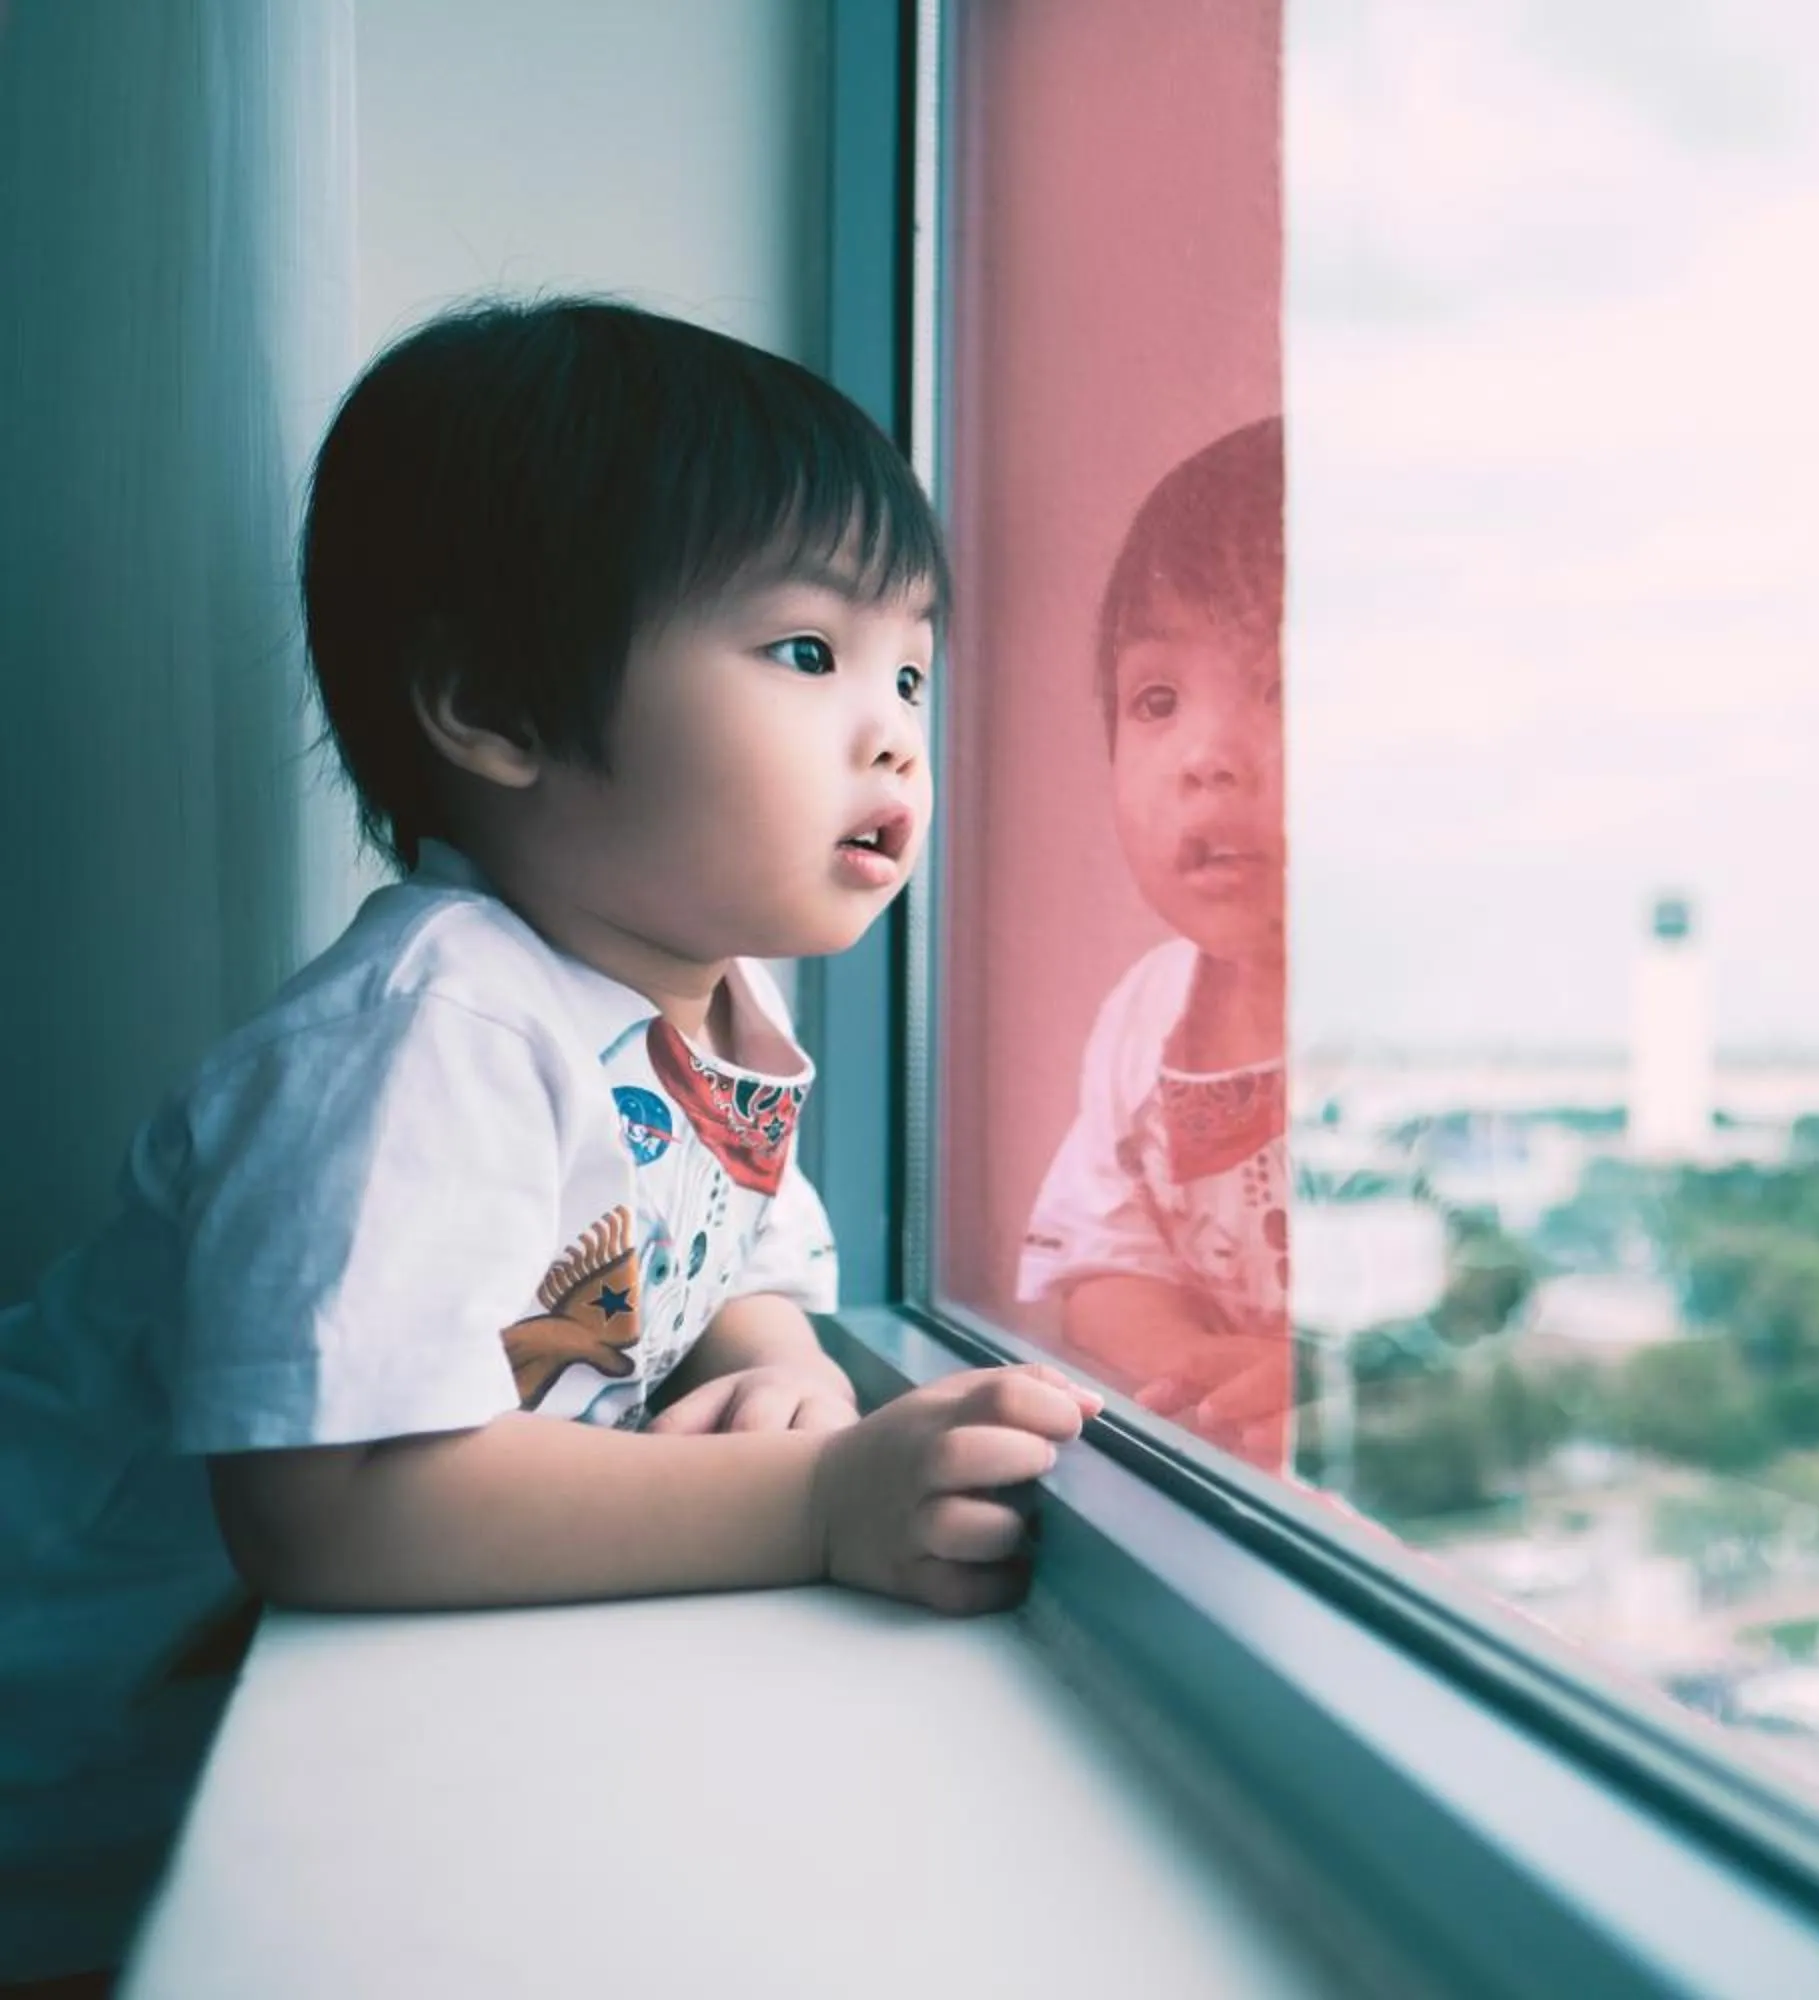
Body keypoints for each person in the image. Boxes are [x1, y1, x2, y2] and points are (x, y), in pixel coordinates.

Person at [0, 297, 1101, 1994]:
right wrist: (810, 1499)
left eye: (910, 668)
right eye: (806, 654)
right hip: (54, 1749)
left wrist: (772, 1351)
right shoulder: (433, 1035)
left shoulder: (698, 1014)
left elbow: (741, 1251)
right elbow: (335, 1504)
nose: (893, 730)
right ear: (497, 706)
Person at [1018, 418, 1292, 1471]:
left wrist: (1364, 1392)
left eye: (1284, 686)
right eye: (1158, 699)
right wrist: (1194, 1367)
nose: (1205, 759)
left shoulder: (1439, 1028)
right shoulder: (1144, 1011)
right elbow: (1098, 1265)